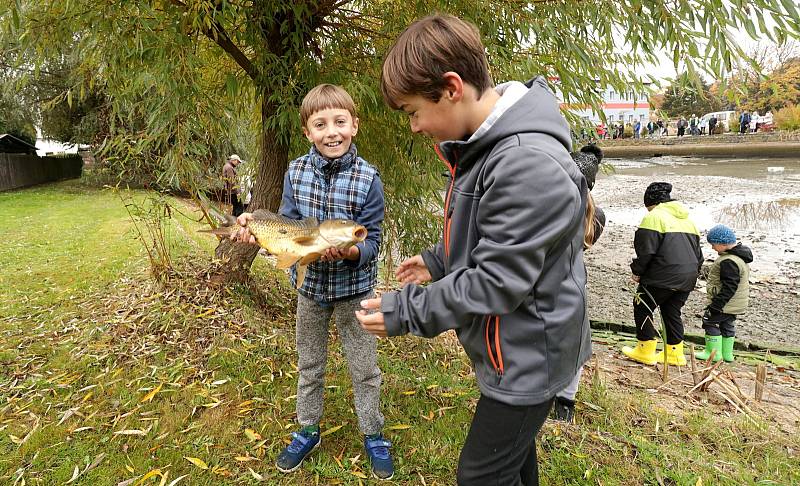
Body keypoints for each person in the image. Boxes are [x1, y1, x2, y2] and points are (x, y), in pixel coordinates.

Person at [356, 15, 591, 486]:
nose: (414, 126)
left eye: (412, 111)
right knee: (512, 461)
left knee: (480, 476)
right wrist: (439, 260)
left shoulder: (524, 161)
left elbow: (496, 281)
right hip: (518, 345)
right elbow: (498, 239)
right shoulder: (486, 146)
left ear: (451, 87)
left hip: (530, 355)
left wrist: (406, 311)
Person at [233, 84, 393, 479]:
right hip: (310, 291)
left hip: (355, 292)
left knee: (364, 367)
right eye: (320, 124)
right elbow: (286, 224)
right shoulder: (294, 172)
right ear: (308, 132)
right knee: (310, 365)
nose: (331, 132)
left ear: (354, 126)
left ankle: (373, 433)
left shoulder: (369, 178)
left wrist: (353, 251)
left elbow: (372, 240)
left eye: (340, 122)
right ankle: (307, 429)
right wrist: (257, 228)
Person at [552, 144, 606, 423]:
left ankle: (556, 397)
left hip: (554, 284)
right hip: (575, 283)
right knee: (574, 342)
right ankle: (565, 400)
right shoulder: (595, 216)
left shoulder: (556, 206)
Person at [622, 182, 703, 367]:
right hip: (688, 277)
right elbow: (699, 256)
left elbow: (646, 251)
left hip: (662, 276)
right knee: (671, 310)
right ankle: (675, 354)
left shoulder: (654, 217)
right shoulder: (688, 220)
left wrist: (637, 272)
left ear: (651, 202)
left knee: (642, 307)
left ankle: (645, 349)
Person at [695, 225, 752, 363]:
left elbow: (729, 287)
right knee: (727, 324)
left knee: (710, 323)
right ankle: (727, 354)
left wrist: (716, 306)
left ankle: (713, 354)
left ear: (723, 244)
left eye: (714, 245)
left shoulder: (728, 261)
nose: (713, 248)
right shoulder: (739, 257)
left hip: (725, 304)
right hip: (735, 304)